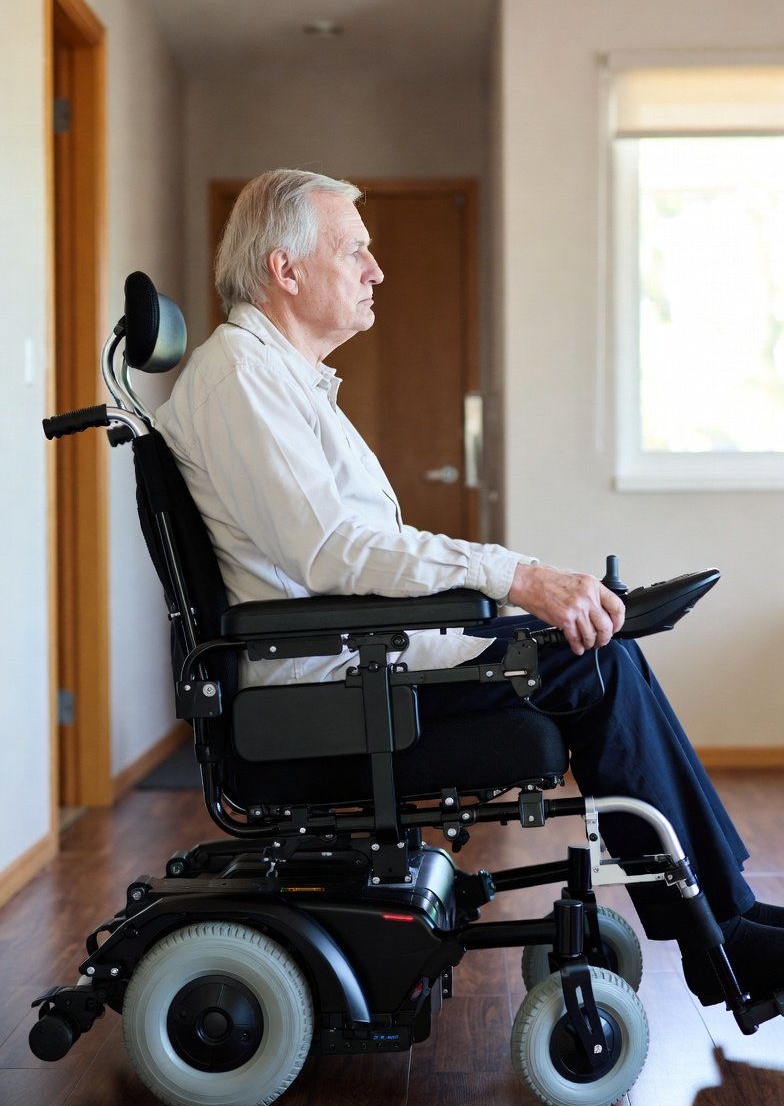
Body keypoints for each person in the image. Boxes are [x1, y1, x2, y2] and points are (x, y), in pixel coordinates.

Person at [156, 167, 784, 1006]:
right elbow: (335, 551)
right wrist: (516, 576)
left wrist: (515, 587)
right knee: (595, 662)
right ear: (286, 269)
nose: (377, 271)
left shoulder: (277, 378)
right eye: (357, 252)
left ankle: (729, 921)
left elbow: (349, 548)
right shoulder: (241, 375)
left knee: (600, 648)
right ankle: (726, 939)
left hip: (355, 662)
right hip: (333, 687)